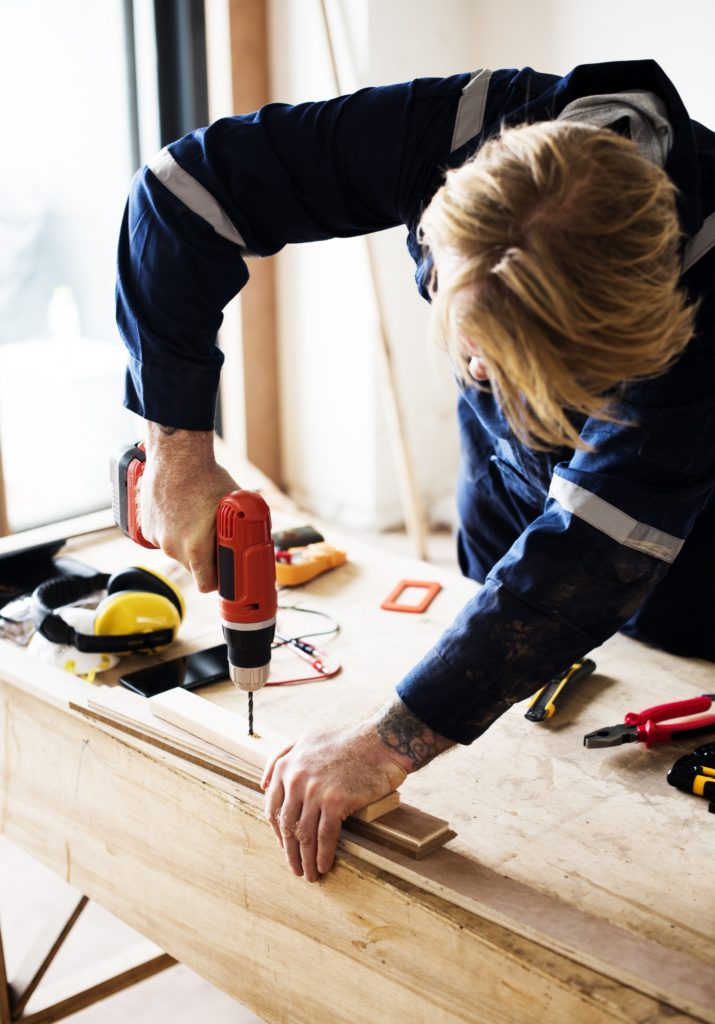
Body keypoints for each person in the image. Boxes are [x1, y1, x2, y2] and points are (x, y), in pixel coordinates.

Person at [116, 59, 715, 884]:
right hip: (506, 499)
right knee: (510, 780)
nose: (476, 379)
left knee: (648, 824)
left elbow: (595, 550)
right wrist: (178, 449)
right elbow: (182, 194)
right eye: (474, 347)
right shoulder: (455, 131)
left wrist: (385, 743)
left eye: (524, 376)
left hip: (688, 551)